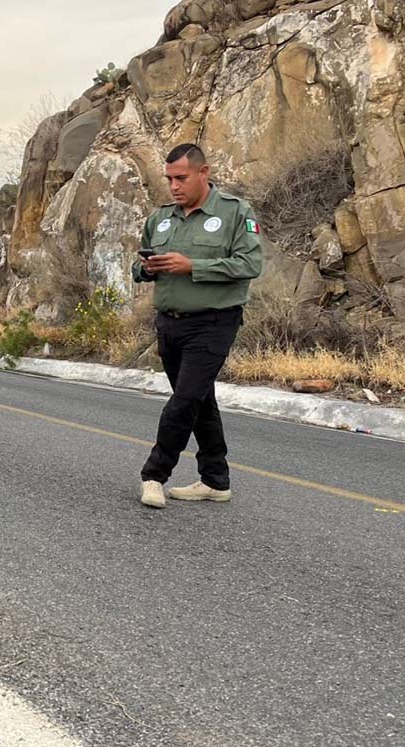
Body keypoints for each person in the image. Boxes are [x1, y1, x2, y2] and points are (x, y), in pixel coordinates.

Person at [132, 144, 263, 509]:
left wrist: (194, 267)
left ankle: (154, 475)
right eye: (169, 179)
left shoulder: (235, 212)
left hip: (214, 322)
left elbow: (250, 265)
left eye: (182, 178)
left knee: (184, 401)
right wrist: (146, 269)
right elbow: (138, 268)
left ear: (203, 173)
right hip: (169, 324)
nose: (174, 186)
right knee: (200, 401)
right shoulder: (160, 219)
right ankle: (215, 480)